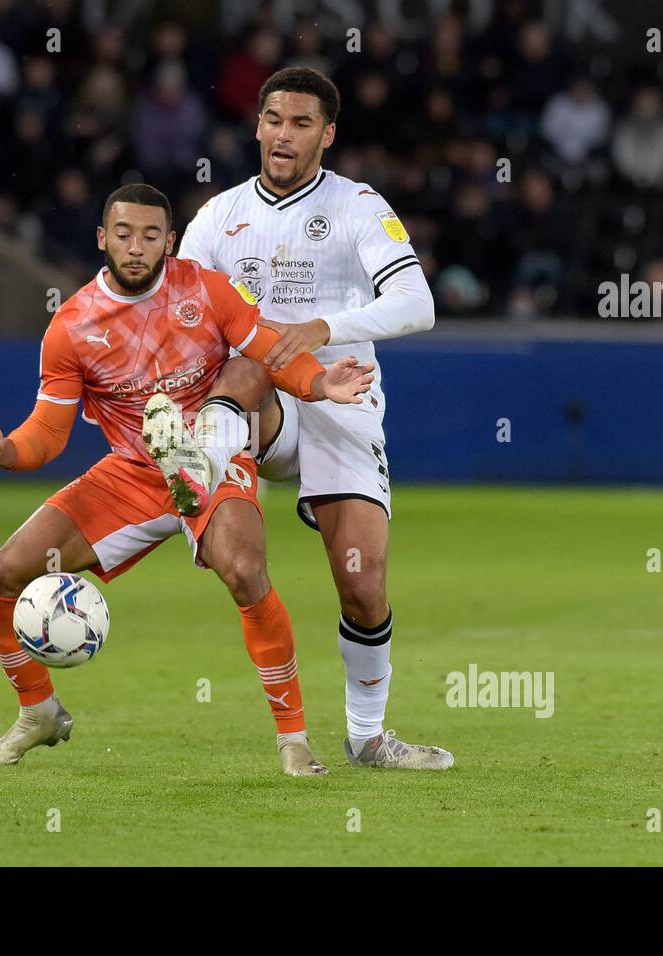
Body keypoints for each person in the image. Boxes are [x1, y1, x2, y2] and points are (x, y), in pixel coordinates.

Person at [0, 183, 376, 776]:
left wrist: (319, 383)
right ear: (102, 238)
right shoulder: (73, 326)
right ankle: (38, 711)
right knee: (5, 570)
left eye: (151, 235)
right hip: (134, 470)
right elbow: (49, 433)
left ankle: (293, 740)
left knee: (245, 570)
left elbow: (267, 350)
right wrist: (6, 450)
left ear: (170, 241)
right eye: (124, 234)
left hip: (213, 453)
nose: (137, 247)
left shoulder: (205, 290)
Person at [176, 67, 454, 771]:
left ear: (327, 135)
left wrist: (325, 327)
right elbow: (178, 320)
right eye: (273, 119)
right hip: (262, 401)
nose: (282, 133)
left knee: (362, 583)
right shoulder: (217, 218)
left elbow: (417, 304)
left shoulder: (358, 206)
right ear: (257, 125)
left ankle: (367, 736)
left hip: (342, 398)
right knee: (244, 365)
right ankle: (196, 470)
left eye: (300, 123)